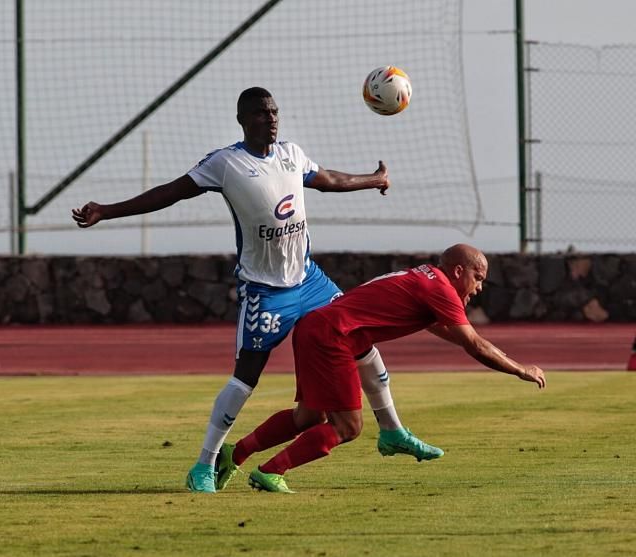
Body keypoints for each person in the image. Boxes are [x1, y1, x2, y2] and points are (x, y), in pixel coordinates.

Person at [72, 86, 438, 494]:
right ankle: (204, 464)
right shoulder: (225, 163)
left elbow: (330, 180)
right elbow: (169, 193)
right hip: (266, 292)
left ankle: (392, 430)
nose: (271, 119)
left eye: (274, 112)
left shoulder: (291, 154)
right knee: (245, 379)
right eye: (262, 113)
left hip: (309, 281)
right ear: (243, 120)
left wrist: (374, 179)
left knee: (360, 336)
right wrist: (107, 211)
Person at [221, 243, 546, 493]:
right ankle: (271, 471)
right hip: (334, 337)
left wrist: (475, 344)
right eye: (478, 278)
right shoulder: (442, 289)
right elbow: (475, 344)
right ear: (459, 271)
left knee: (308, 417)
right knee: (348, 427)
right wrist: (521, 369)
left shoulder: (423, 276)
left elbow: (448, 332)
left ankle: (235, 453)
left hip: (316, 328)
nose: (479, 288)